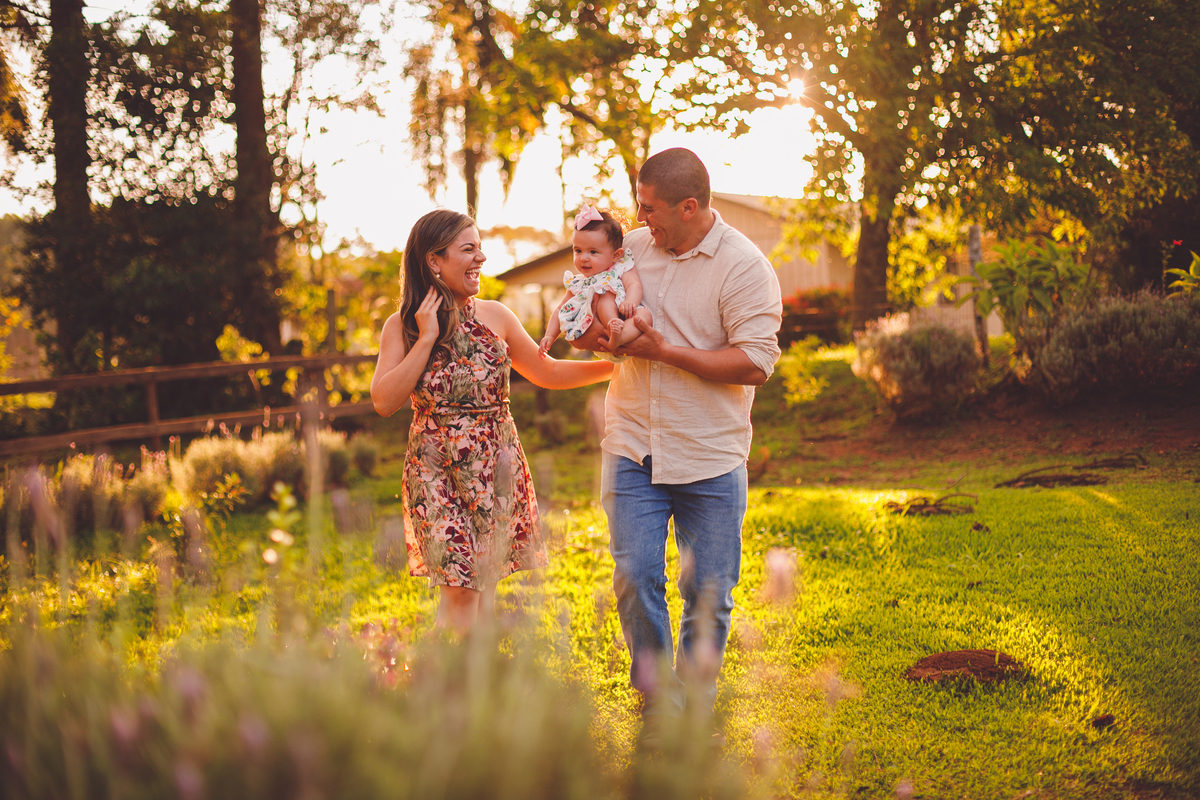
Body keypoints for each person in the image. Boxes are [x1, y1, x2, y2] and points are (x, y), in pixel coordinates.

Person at [595, 148, 782, 744]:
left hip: (709, 455)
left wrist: (665, 351)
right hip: (632, 445)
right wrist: (597, 332)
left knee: (709, 592)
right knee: (634, 576)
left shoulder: (744, 267)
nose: (638, 217)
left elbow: (755, 362)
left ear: (690, 206)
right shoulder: (634, 251)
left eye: (649, 208)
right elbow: (589, 309)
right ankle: (659, 707)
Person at [371, 209, 613, 633]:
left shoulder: (497, 315)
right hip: (435, 471)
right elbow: (385, 401)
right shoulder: (403, 326)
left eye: (480, 247)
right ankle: (445, 687)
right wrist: (427, 337)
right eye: (469, 249)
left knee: (483, 589)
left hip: (495, 467)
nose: (481, 258)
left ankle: (476, 688)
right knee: (460, 589)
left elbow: (547, 372)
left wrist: (615, 367)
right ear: (434, 261)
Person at [538, 205, 654, 357]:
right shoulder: (578, 284)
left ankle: (621, 335)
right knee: (605, 299)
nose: (583, 258)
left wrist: (630, 302)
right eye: (578, 250)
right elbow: (560, 310)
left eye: (593, 252)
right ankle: (614, 329)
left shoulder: (620, 267)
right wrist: (549, 336)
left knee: (644, 315)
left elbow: (633, 284)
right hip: (601, 326)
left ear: (616, 255)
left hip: (626, 313)